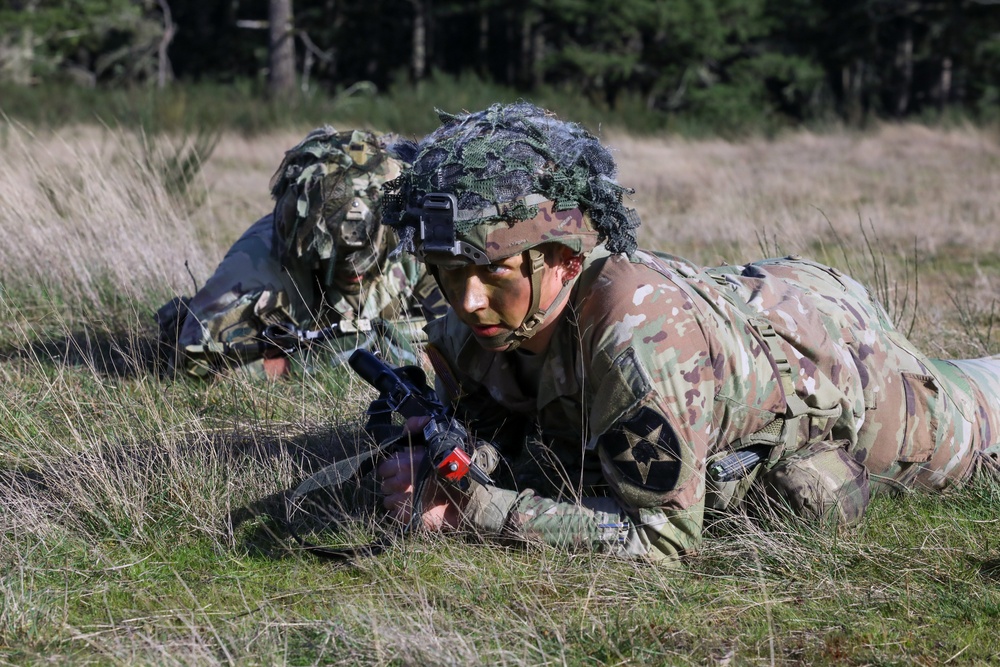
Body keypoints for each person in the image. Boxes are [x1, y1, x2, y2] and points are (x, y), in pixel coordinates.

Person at [371, 102, 1000, 563]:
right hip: (758, 304)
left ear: (564, 257)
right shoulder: (467, 318)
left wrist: (475, 513)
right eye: (448, 273)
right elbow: (503, 429)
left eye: (492, 272)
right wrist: (447, 456)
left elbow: (660, 539)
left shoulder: (637, 340)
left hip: (846, 371)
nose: (468, 298)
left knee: (979, 409)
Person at [156, 127, 446, 380]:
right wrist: (301, 365)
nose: (354, 265)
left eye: (364, 243)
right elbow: (190, 362)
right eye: (339, 251)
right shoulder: (260, 266)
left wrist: (411, 354)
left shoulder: (408, 237)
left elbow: (463, 328)